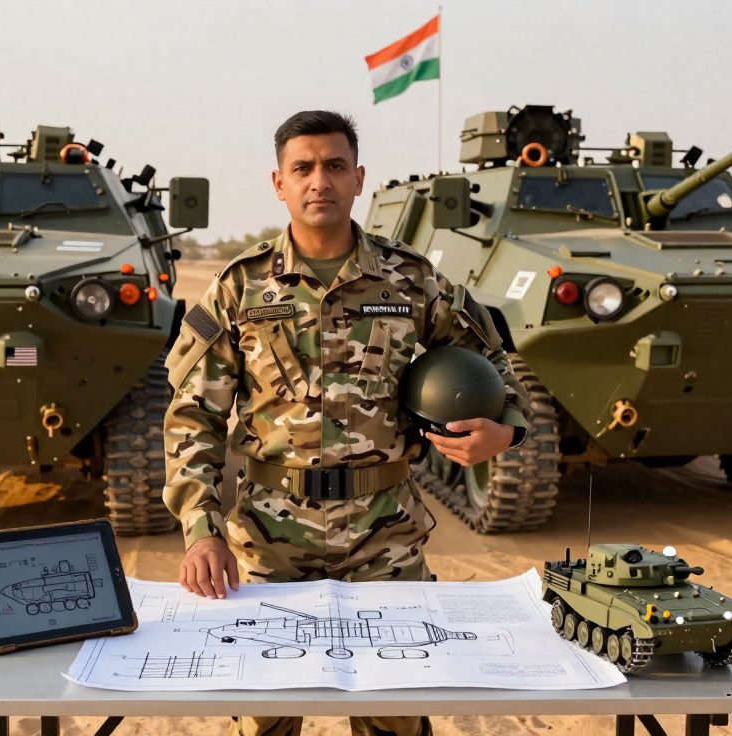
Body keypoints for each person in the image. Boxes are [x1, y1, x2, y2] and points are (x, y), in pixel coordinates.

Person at [162, 110, 530, 736]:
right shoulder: (239, 288)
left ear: (359, 178)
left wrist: (508, 430)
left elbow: (494, 360)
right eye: (302, 168)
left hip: (384, 537)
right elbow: (193, 415)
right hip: (268, 541)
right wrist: (202, 529)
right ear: (278, 183)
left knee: (397, 713)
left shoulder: (412, 280)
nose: (319, 181)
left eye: (334, 166)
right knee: (265, 718)